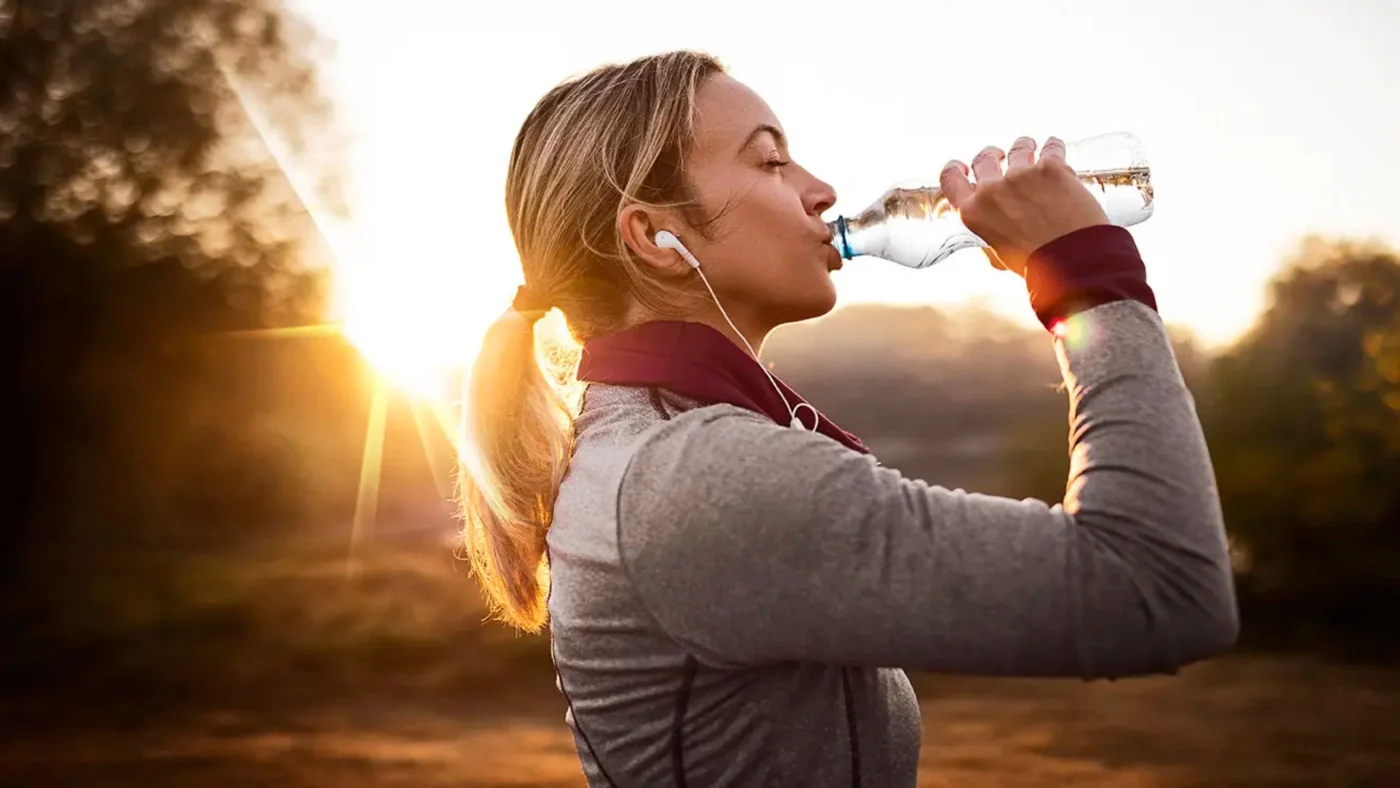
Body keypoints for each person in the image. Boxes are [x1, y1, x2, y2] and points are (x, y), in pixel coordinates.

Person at [458, 50, 1238, 787]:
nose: (822, 188)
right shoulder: (693, 475)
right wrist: (1085, 270)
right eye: (769, 160)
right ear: (657, 238)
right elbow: (1157, 586)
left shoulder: (662, 445)